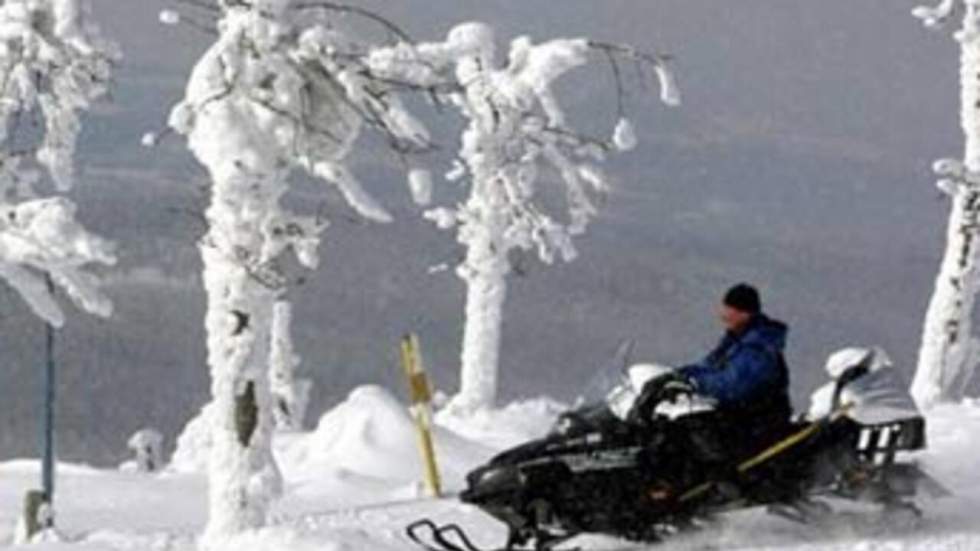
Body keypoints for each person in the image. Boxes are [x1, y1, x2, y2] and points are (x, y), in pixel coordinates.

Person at [632, 283, 792, 438]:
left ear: (745, 314)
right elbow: (709, 366)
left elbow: (733, 385)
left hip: (757, 422)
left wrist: (694, 383)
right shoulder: (734, 340)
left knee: (690, 430)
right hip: (739, 415)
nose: (723, 315)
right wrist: (676, 376)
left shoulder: (759, 348)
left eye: (730, 310)